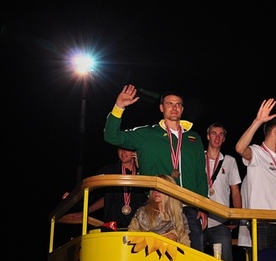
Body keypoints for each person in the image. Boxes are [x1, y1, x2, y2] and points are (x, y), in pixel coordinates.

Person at [103, 85, 209, 251]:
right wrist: (119, 107)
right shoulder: (147, 134)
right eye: (169, 104)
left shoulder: (193, 138)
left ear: (182, 109)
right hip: (158, 207)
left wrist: (203, 207)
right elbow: (112, 136)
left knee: (194, 255)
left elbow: (200, 174)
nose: (174, 107)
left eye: (178, 104)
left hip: (189, 207)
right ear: (161, 108)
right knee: (156, 255)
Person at [235, 98, 276, 251]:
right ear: (274, 132)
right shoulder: (257, 153)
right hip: (262, 221)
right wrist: (258, 121)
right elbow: (240, 148)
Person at [60, 146, 147, 230]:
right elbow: (96, 194)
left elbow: (150, 197)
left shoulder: (143, 172)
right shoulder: (108, 171)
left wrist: (142, 168)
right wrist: (76, 198)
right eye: (120, 148)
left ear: (134, 152)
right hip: (113, 227)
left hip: (139, 228)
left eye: (127, 149)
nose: (123, 152)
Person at [203, 123, 242, 261]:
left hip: (221, 221)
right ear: (208, 136)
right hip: (199, 220)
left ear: (224, 139)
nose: (217, 137)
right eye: (214, 133)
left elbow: (235, 192)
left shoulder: (230, 161)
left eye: (221, 134)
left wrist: (236, 217)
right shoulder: (198, 158)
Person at [128, 174, 191, 246]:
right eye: (154, 189)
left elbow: (186, 245)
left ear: (170, 191)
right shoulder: (143, 213)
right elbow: (130, 238)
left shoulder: (179, 216)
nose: (156, 192)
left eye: (160, 189)